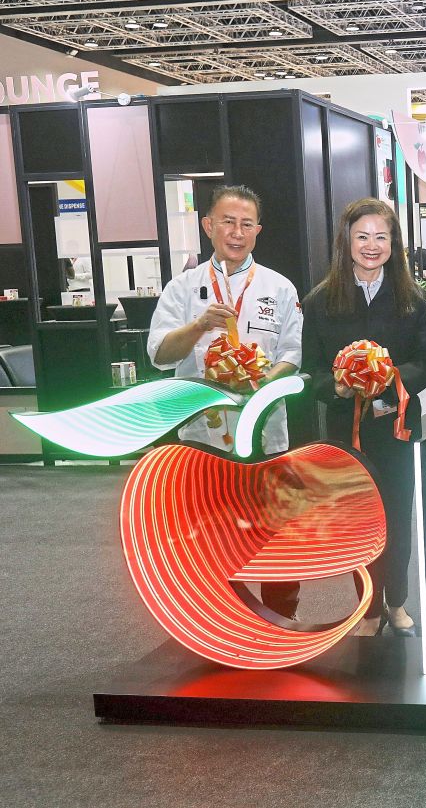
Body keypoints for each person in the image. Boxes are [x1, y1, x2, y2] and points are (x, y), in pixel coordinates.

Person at [146, 184, 303, 621]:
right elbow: (159, 355)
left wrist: (261, 382)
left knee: (275, 535)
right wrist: (198, 326)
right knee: (211, 537)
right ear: (208, 226)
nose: (237, 232)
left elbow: (293, 353)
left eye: (246, 224)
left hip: (266, 434)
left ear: (258, 230)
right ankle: (224, 626)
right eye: (227, 222)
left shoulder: (279, 287)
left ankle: (281, 624)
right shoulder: (182, 288)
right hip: (202, 438)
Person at [301, 198, 426, 636]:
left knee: (398, 516)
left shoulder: (410, 299)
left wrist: (389, 379)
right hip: (346, 432)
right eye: (362, 236)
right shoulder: (321, 302)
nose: (372, 245)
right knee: (357, 522)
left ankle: (396, 601)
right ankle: (366, 606)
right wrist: (337, 386)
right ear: (347, 241)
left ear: (394, 243)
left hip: (397, 430)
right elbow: (311, 371)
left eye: (382, 236)